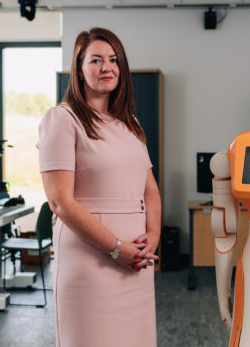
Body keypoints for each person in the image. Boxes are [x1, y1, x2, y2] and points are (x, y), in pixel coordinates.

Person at [37, 27, 160, 347]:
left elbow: (150, 189)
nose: (107, 67)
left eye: (114, 60)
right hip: (91, 261)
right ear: (79, 69)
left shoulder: (129, 123)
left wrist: (154, 236)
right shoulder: (62, 119)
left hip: (136, 261)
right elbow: (60, 201)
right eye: (96, 60)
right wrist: (116, 248)